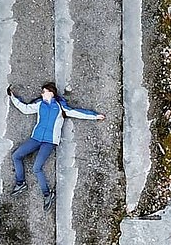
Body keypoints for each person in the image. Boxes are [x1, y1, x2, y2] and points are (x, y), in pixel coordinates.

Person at [7, 82, 105, 210]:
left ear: (51, 92)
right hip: (36, 138)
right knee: (16, 156)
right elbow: (25, 108)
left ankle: (47, 194)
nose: (41, 94)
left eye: (44, 91)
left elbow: (77, 112)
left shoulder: (59, 106)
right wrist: (12, 97)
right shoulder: (39, 104)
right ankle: (20, 183)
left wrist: (95, 116)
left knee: (37, 168)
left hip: (49, 141)